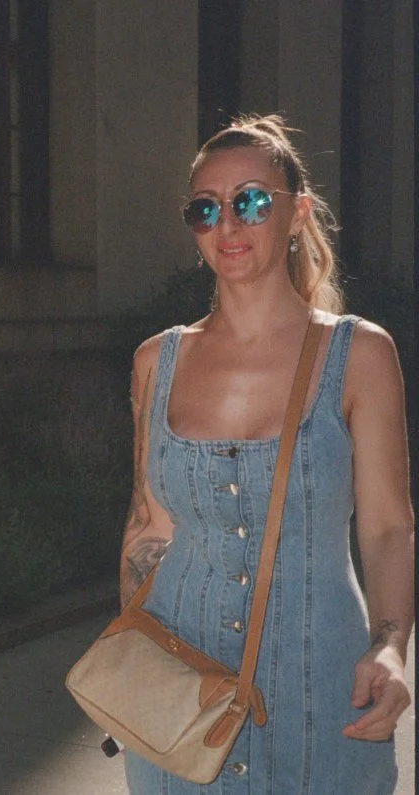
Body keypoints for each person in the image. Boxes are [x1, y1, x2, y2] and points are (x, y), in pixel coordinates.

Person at [119, 115, 413, 793]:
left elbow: (388, 526)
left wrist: (391, 645)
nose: (229, 224)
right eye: (205, 209)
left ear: (296, 212)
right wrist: (132, 656)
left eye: (251, 200)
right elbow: (148, 528)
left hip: (320, 679)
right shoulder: (155, 362)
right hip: (178, 693)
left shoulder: (359, 354)